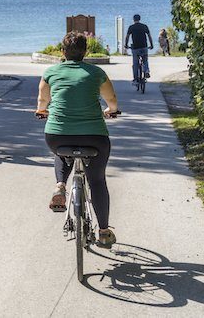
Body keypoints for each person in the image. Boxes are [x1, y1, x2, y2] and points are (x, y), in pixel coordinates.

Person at [35, 31, 120, 249]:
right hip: (95, 137)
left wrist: (42, 111)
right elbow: (111, 99)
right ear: (86, 52)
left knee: (61, 152)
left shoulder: (51, 72)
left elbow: (43, 100)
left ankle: (60, 186)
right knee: (98, 181)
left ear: (62, 52)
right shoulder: (96, 73)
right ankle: (103, 232)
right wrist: (111, 110)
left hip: (57, 135)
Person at [124, 14, 153, 83]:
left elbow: (127, 37)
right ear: (140, 19)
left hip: (135, 47)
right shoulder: (144, 26)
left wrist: (126, 45)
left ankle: (135, 79)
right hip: (144, 46)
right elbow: (149, 36)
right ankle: (146, 70)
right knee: (145, 60)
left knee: (135, 64)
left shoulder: (131, 27)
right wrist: (151, 45)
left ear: (133, 19)